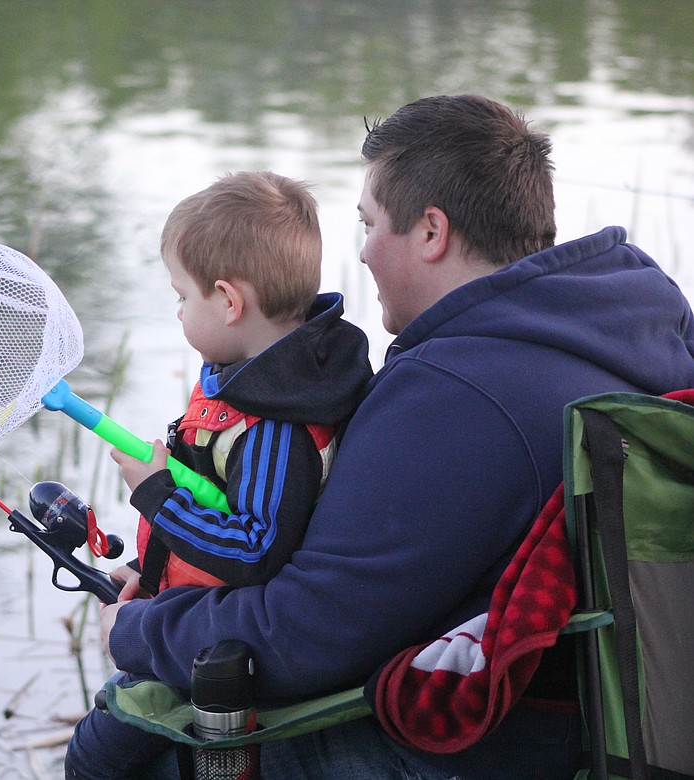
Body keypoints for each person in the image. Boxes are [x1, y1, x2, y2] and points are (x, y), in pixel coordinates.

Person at [69, 94, 694, 779]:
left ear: (431, 231)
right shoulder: (635, 320)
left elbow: (305, 635)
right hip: (587, 720)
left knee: (124, 757)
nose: (361, 252)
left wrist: (140, 628)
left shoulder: (457, 393)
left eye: (368, 223)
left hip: (482, 747)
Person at [66, 171, 373, 775]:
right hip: (181, 614)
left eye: (182, 295)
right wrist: (141, 567)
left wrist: (157, 498)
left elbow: (256, 548)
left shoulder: (276, 425)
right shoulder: (251, 380)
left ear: (230, 303)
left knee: (94, 758)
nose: (177, 310)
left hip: (216, 649)